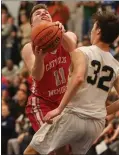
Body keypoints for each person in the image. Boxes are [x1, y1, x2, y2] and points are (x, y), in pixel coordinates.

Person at [24, 10, 119, 155]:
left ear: (98, 30)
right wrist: (102, 113)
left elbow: (78, 78)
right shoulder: (116, 65)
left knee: (31, 152)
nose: (91, 31)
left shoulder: (83, 51)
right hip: (96, 123)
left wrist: (59, 109)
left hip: (75, 115)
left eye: (93, 27)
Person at [21, 3, 77, 154]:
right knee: (52, 145)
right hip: (42, 102)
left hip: (65, 101)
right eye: (38, 13)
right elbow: (37, 76)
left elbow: (72, 48)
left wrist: (61, 33)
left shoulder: (69, 35)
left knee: (65, 149)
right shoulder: (29, 48)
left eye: (46, 12)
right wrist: (40, 59)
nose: (43, 13)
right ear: (32, 24)